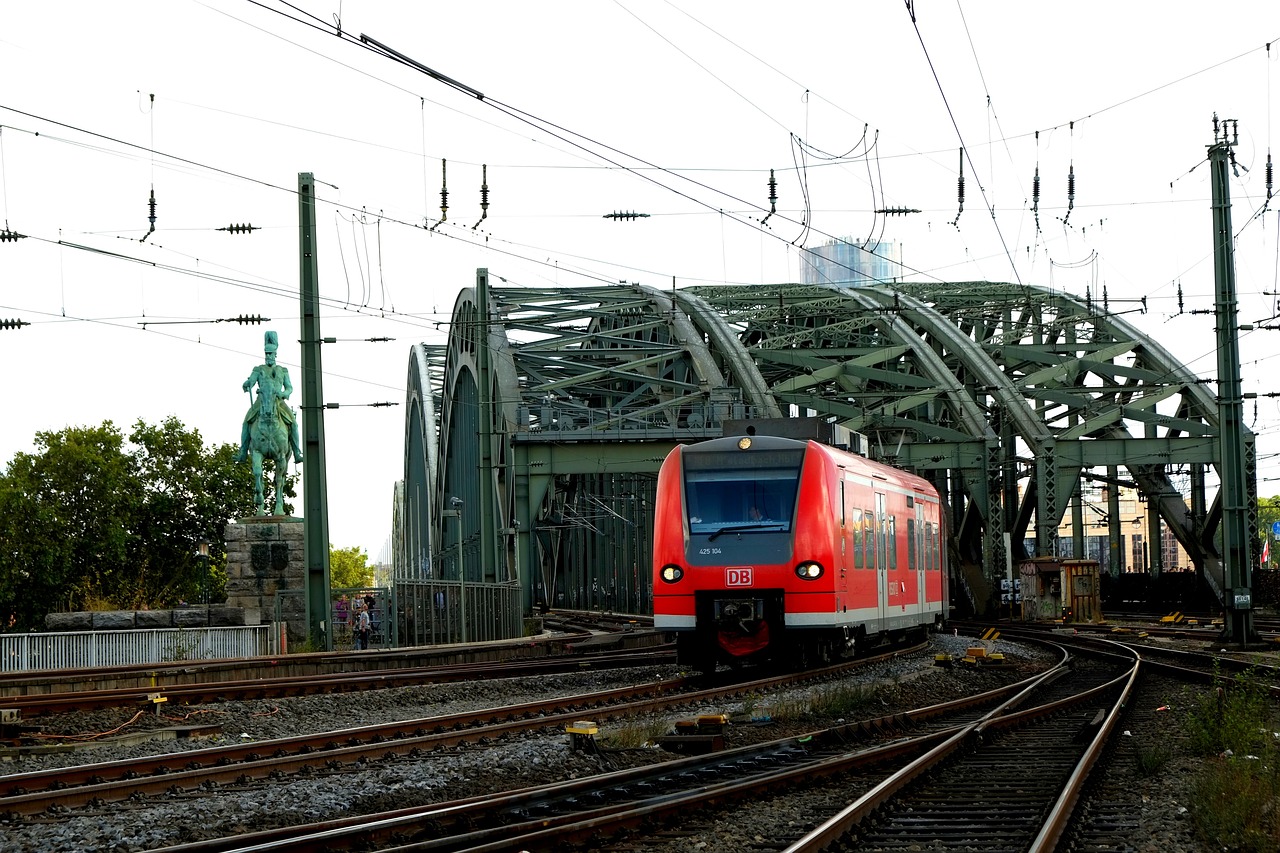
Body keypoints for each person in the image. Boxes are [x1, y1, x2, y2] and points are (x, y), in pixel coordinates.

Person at [233, 331, 304, 464]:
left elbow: (289, 387)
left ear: (275, 354)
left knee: (293, 423)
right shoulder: (258, 369)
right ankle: (242, 452)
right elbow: (252, 381)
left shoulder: (283, 370)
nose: (268, 356)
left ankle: (296, 452)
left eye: (271, 354)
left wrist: (284, 393)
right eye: (266, 354)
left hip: (278, 402)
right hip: (261, 401)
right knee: (246, 422)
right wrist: (248, 383)